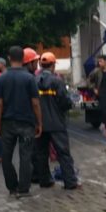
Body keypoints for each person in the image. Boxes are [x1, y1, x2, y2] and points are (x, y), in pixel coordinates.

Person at [0, 46, 42, 198]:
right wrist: (39, 123)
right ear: (23, 59)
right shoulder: (29, 78)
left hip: (7, 123)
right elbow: (35, 103)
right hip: (26, 122)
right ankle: (23, 189)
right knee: (25, 156)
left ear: (9, 58)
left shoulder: (2, 78)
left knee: (6, 156)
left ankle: (12, 186)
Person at [32, 52, 80, 190]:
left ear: (41, 65)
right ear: (53, 65)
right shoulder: (57, 81)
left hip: (39, 124)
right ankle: (70, 182)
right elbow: (65, 102)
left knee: (41, 154)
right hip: (57, 123)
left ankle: (45, 180)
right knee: (63, 153)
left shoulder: (34, 81)